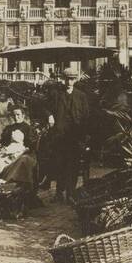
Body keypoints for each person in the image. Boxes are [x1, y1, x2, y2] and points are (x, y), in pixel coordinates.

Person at [46, 68, 92, 204]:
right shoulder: (56, 94)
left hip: (75, 137)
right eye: (66, 79)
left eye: (72, 79)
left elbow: (86, 116)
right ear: (62, 79)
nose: (69, 82)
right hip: (59, 136)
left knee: (73, 165)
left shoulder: (81, 96)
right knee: (59, 164)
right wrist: (49, 115)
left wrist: (85, 136)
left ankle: (71, 193)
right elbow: (45, 106)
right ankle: (59, 192)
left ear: (75, 80)